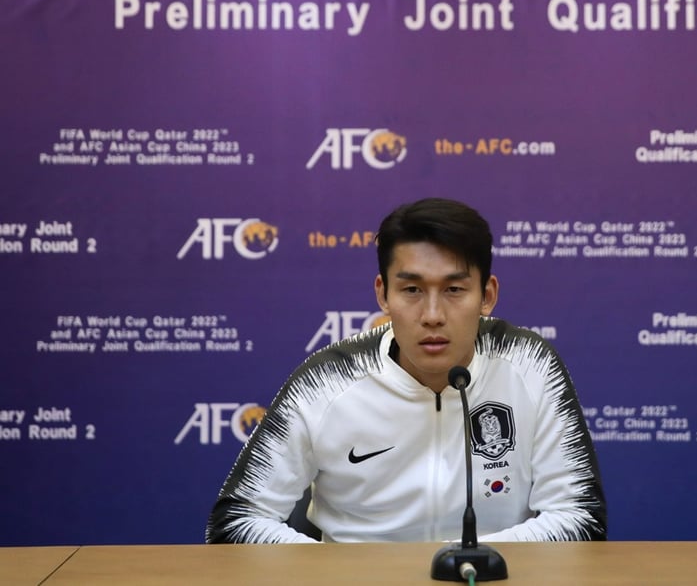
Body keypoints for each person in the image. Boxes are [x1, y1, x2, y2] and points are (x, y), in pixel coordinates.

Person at [207, 197, 606, 543]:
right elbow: (236, 522)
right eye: (412, 290)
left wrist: (461, 561)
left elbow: (580, 518)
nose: (432, 315)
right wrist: (348, 571)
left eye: (454, 290)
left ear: (487, 296)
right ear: (383, 294)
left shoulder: (531, 365)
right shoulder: (327, 381)